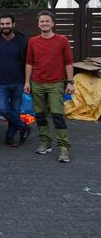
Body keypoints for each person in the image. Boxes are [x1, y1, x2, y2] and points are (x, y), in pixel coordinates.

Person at [24, 11, 74, 163]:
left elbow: (68, 62)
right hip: (37, 83)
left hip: (56, 84)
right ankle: (45, 142)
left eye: (47, 21)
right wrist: (27, 82)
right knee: (40, 115)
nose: (44, 23)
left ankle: (63, 147)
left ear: (53, 24)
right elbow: (29, 63)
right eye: (42, 21)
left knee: (58, 116)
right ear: (38, 24)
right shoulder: (33, 41)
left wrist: (70, 82)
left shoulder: (62, 40)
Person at [0, 14, 31, 148]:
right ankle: (24, 127)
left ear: (13, 24)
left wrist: (27, 81)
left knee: (15, 112)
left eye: (7, 24)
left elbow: (28, 62)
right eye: (2, 24)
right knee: (3, 109)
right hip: (1, 82)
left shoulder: (22, 40)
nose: (5, 26)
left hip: (18, 82)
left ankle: (10, 138)